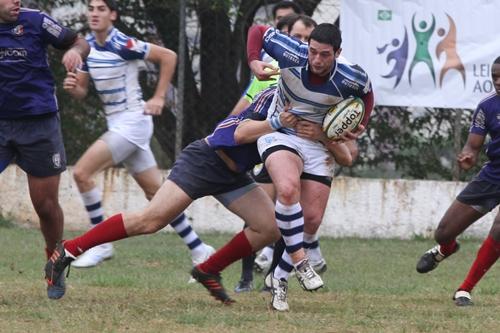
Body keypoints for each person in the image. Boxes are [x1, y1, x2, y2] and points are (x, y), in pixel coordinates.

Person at [45, 86, 298, 303]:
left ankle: (208, 270)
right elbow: (241, 133)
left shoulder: (315, 109)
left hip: (234, 176)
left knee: (269, 228)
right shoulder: (275, 94)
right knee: (151, 220)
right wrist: (277, 122)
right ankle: (67, 250)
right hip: (206, 160)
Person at [62, 0, 214, 270]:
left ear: (113, 15)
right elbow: (82, 91)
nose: (94, 13)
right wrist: (73, 86)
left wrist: (158, 97)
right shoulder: (86, 47)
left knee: (82, 173)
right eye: (91, 8)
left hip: (133, 122)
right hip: (119, 125)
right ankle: (200, 249)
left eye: (101, 9)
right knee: (157, 196)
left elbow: (168, 56)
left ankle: (100, 244)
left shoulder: (122, 43)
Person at [246, 22, 374, 311]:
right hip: (280, 132)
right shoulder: (291, 52)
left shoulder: (351, 76)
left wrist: (361, 123)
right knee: (288, 189)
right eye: (313, 52)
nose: (316, 60)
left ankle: (279, 280)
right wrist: (254, 59)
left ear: (337, 53)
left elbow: (367, 94)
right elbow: (257, 30)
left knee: (312, 220)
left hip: (318, 141)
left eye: (325, 55)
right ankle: (302, 262)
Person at [0, 0, 90, 299]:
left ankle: (54, 261)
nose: (17, 2)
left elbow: (79, 41)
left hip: (39, 124)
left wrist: (75, 52)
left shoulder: (36, 22)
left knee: (45, 206)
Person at [234, 14, 319, 293]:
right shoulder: (271, 69)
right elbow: (245, 105)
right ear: (286, 35)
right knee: (257, 215)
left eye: (309, 39)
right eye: (297, 37)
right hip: (268, 145)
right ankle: (246, 276)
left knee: (289, 211)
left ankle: (273, 279)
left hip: (300, 151)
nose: (303, 43)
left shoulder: (321, 77)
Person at [416, 56, 500, 306]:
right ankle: (446, 248)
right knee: (444, 232)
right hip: (493, 174)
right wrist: (468, 156)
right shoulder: (487, 107)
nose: (498, 81)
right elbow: (473, 144)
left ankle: (464, 289)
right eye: (494, 76)